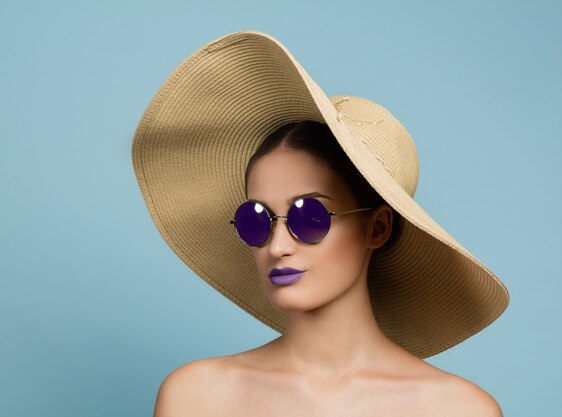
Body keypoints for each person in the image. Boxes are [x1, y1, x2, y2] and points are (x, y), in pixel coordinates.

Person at [132, 30, 509, 416]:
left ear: (377, 228)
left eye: (308, 217)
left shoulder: (459, 409)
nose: (277, 246)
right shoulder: (197, 397)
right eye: (256, 220)